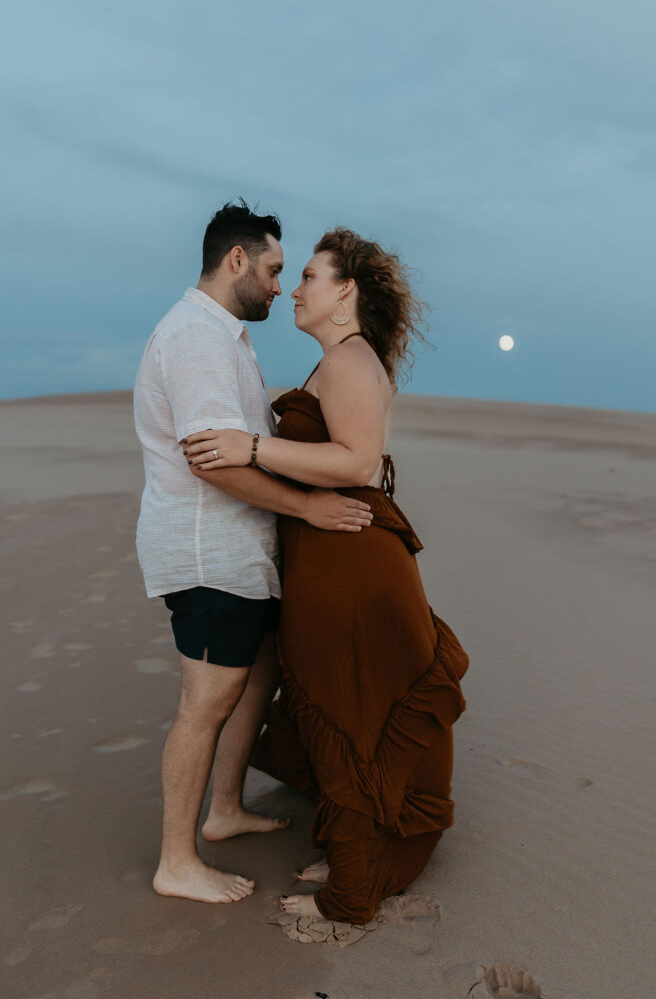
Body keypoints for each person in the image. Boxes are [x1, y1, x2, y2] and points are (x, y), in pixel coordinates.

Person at [182, 227, 469, 923]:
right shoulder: (340, 360)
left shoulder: (348, 360)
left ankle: (354, 886)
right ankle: (355, 853)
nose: (294, 290)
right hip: (331, 557)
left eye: (309, 276)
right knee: (344, 707)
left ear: (346, 292)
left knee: (353, 710)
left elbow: (357, 461)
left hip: (350, 564)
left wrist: (252, 444)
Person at [134, 203, 373, 905]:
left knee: (256, 677)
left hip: (242, 552)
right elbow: (211, 459)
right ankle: (176, 860)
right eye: (273, 270)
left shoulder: (225, 337)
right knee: (205, 701)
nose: (279, 286)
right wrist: (307, 506)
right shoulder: (198, 338)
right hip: (208, 550)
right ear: (235, 260)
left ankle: (226, 807)